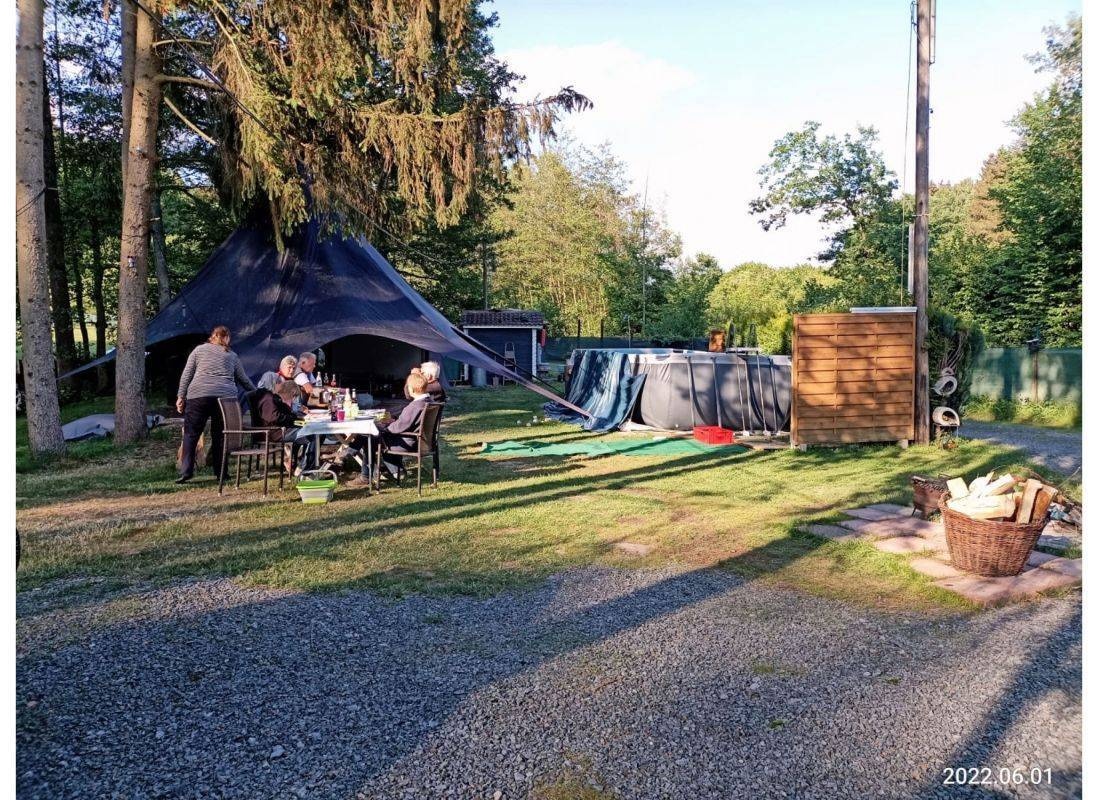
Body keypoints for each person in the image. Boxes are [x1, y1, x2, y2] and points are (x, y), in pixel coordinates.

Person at [176, 325, 256, 484]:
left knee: (191, 434)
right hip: (225, 398)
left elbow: (187, 374)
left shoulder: (198, 350)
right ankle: (221, 473)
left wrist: (180, 396)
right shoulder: (231, 355)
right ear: (227, 338)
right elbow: (243, 379)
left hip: (199, 395)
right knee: (221, 435)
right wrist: (257, 393)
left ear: (212, 337)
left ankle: (186, 472)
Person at [348, 372, 432, 488]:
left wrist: (383, 427)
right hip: (421, 441)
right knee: (371, 435)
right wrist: (394, 421)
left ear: (411, 389)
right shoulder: (428, 402)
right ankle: (395, 471)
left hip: (406, 443)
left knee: (368, 435)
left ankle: (356, 463)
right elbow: (407, 423)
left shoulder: (415, 406)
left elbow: (398, 427)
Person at [247, 381, 310, 471]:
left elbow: (284, 414)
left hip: (279, 430)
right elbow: (274, 417)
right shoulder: (268, 398)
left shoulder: (274, 399)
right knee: (311, 435)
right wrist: (292, 419)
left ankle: (300, 462)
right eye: (294, 396)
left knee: (313, 432)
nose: (293, 399)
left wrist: (296, 418)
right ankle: (304, 467)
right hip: (275, 432)